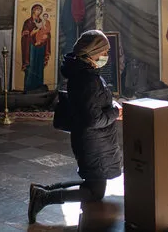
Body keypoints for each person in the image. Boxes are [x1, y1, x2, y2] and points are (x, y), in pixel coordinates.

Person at [28, 30, 122, 224]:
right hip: (93, 143)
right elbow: (93, 120)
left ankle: (45, 190)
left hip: (92, 141)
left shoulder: (83, 73)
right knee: (95, 192)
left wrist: (110, 107)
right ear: (92, 52)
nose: (106, 56)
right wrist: (115, 112)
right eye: (104, 52)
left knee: (92, 183)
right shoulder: (88, 80)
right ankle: (44, 197)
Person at [21, 4, 51, 92]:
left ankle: (38, 87)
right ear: (33, 10)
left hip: (41, 46)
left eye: (40, 10)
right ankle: (29, 87)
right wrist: (33, 32)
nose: (39, 12)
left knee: (39, 65)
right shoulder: (28, 22)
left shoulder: (42, 21)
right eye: (37, 10)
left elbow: (47, 32)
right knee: (31, 65)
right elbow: (25, 34)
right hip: (31, 47)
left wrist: (47, 36)